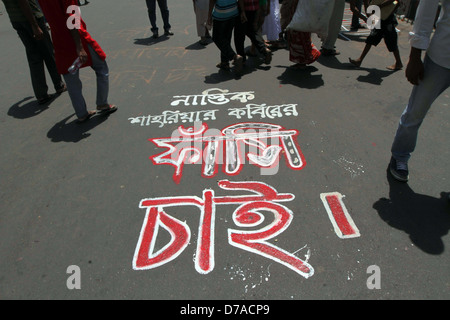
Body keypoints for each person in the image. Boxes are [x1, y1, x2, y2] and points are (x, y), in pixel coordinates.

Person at [389, 0, 450, 182]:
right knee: (416, 112)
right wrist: (415, 55)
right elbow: (426, 10)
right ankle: (400, 155)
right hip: (442, 57)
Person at [38, 0, 117, 123]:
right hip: (76, 38)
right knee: (101, 66)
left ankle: (81, 113)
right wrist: (79, 47)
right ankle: (102, 103)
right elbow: (72, 18)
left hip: (59, 39)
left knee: (71, 79)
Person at [2, 0, 66, 104]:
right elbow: (23, 2)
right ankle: (58, 84)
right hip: (31, 18)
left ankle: (41, 94)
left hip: (16, 20)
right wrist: (35, 25)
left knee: (34, 57)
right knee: (48, 52)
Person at [349, 0, 403, 70]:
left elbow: (395, 1)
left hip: (387, 19)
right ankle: (360, 60)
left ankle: (398, 62)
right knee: (372, 38)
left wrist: (382, 6)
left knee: (391, 40)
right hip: (381, 18)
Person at [280, 0, 321, 69]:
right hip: (301, 15)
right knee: (300, 37)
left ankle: (302, 61)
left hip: (300, 16)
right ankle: (305, 58)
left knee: (299, 38)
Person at [208, 0, 245, 75]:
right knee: (226, 38)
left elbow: (212, 1)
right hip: (233, 12)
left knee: (217, 37)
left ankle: (234, 56)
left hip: (221, 13)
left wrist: (209, 16)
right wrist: (243, 11)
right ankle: (224, 62)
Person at [234, 0, 272, 65]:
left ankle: (241, 59)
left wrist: (242, 11)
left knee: (239, 34)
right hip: (254, 7)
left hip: (245, 7)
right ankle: (264, 49)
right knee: (252, 31)